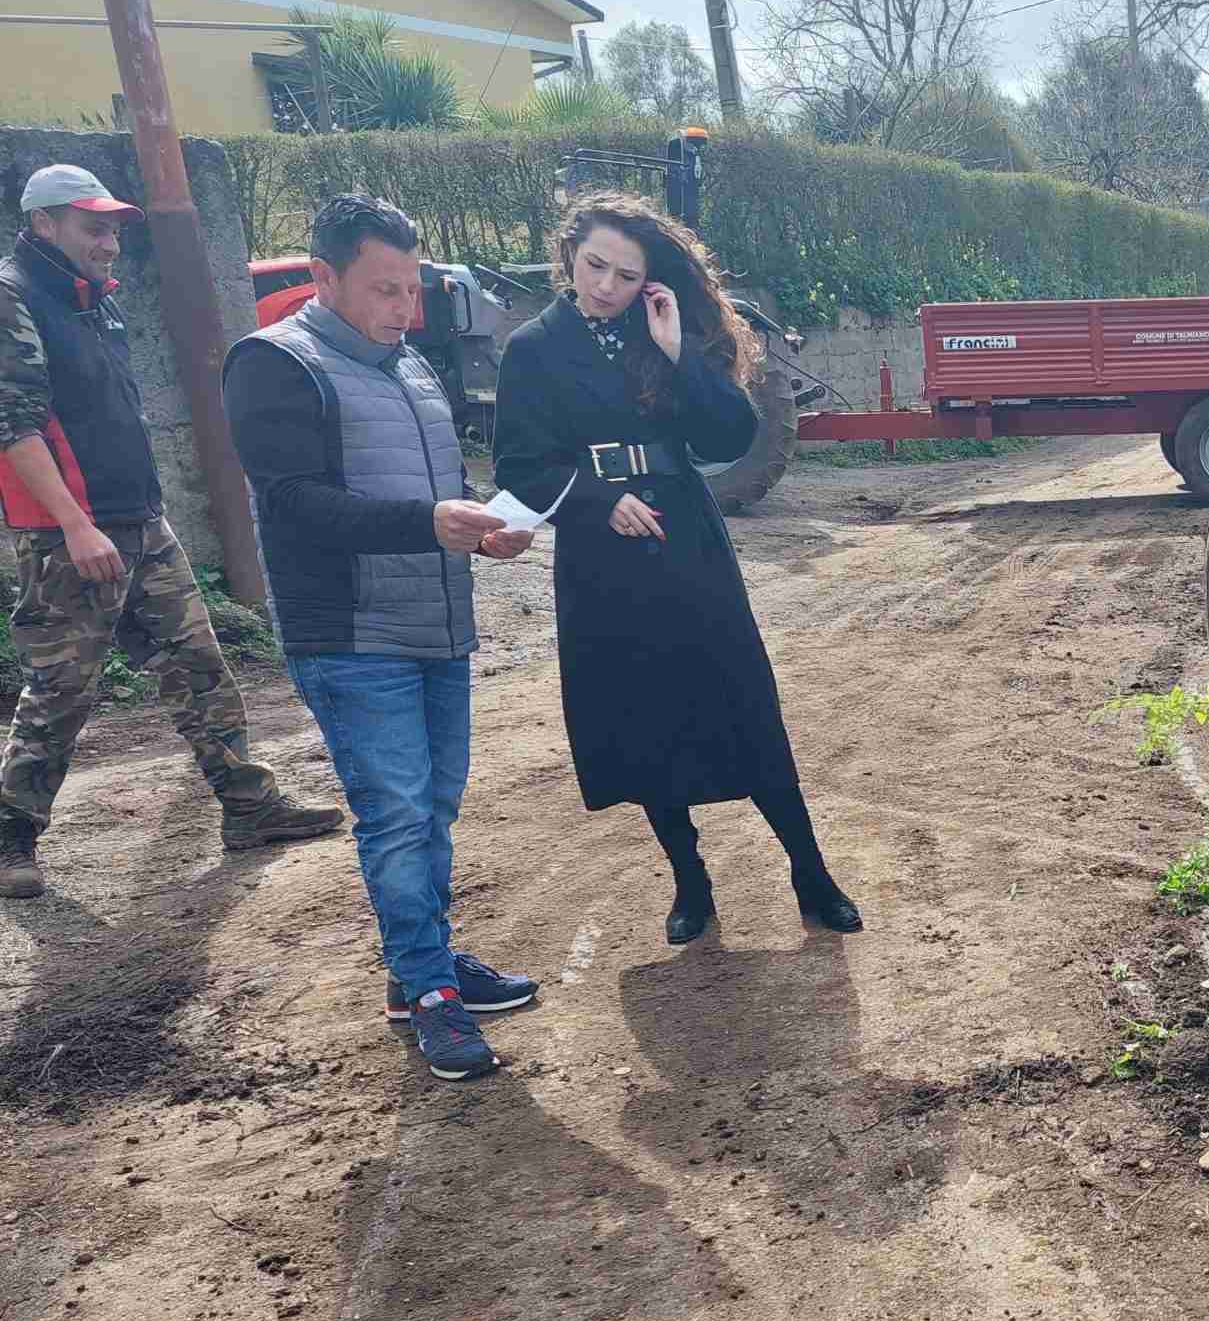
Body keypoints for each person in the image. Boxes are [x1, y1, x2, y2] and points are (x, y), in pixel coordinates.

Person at [223, 194, 541, 1083]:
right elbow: (292, 504)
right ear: (323, 277)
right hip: (351, 635)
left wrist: (480, 529)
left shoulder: (411, 366)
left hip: (438, 625)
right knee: (396, 817)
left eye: (412, 289)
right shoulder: (273, 363)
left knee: (433, 808)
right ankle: (432, 992)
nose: (405, 309)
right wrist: (429, 523)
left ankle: (421, 968)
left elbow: (428, 489)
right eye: (384, 289)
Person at [493, 193, 862, 947]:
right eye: (595, 266)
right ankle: (691, 881)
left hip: (688, 538)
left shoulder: (665, 330)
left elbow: (729, 435)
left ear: (649, 280)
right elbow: (519, 466)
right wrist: (598, 501)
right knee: (641, 717)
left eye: (626, 276)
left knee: (744, 703)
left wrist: (676, 352)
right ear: (569, 255)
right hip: (602, 556)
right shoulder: (531, 348)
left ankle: (811, 871)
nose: (606, 286)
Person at [0, 163, 343, 898]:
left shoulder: (95, 299)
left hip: (140, 519)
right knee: (61, 689)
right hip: (68, 535)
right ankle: (10, 837)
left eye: (113, 229)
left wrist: (140, 511)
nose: (109, 242)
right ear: (43, 225)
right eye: (92, 228)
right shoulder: (13, 297)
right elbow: (14, 426)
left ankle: (248, 804)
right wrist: (75, 525)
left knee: (197, 664)